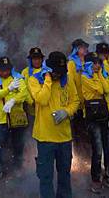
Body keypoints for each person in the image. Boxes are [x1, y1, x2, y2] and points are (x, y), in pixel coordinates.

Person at [29, 51, 79, 198]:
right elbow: (42, 100)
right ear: (48, 69)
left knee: (64, 175)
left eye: (61, 72)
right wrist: (48, 80)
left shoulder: (67, 79)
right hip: (45, 138)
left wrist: (66, 112)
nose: (59, 75)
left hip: (64, 138)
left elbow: (75, 101)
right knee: (45, 177)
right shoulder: (34, 80)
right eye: (55, 72)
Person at [81, 53, 109, 193]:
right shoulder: (84, 77)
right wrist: (99, 76)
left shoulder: (103, 74)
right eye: (94, 63)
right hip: (93, 120)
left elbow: (108, 90)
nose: (97, 65)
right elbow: (100, 89)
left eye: (98, 62)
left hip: (106, 116)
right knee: (97, 151)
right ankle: (96, 180)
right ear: (88, 64)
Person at [0, 56, 27, 187]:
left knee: (18, 145)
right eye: (3, 69)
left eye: (7, 69)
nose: (5, 72)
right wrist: (8, 89)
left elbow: (24, 93)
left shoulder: (18, 77)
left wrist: (13, 100)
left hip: (16, 118)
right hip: (0, 119)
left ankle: (18, 169)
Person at [67, 39, 89, 152]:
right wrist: (75, 101)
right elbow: (71, 83)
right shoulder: (71, 63)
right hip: (78, 104)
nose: (85, 49)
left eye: (85, 47)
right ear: (76, 49)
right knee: (78, 131)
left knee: (89, 130)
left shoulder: (89, 61)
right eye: (82, 47)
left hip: (89, 102)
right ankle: (80, 154)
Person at [21, 47, 45, 133]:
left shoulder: (46, 71)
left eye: (39, 58)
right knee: (32, 131)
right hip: (31, 109)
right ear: (30, 60)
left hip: (45, 108)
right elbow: (23, 89)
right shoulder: (25, 72)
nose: (37, 61)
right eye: (34, 59)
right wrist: (31, 102)